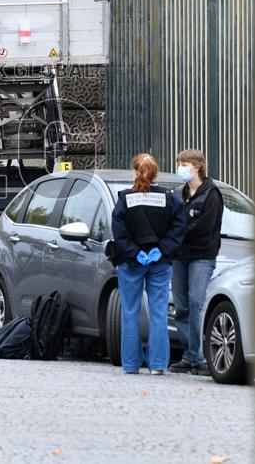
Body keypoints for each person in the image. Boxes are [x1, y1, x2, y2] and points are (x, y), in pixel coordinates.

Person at [110, 153, 186, 375]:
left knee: (131, 312)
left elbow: (120, 232)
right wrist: (161, 250)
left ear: (135, 172)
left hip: (131, 262)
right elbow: (179, 227)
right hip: (160, 261)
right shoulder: (169, 198)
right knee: (159, 313)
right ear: (155, 174)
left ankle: (131, 365)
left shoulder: (125, 199)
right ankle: (158, 365)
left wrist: (134, 252)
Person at [169, 149, 223, 376]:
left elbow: (204, 226)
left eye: (184, 163)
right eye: (179, 163)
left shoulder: (211, 194)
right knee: (180, 306)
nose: (180, 167)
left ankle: (200, 356)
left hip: (201, 255)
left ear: (197, 166)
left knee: (195, 303)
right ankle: (190, 354)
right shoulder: (178, 194)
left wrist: (178, 233)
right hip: (180, 256)